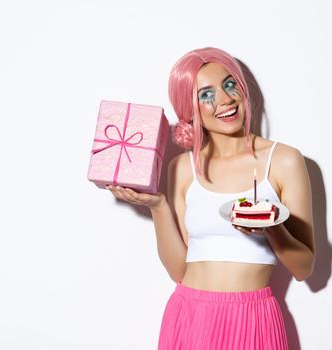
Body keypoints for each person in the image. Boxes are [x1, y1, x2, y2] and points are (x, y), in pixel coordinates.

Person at [107, 47, 315, 349]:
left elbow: (304, 268)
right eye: (206, 94)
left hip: (253, 318)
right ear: (189, 109)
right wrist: (158, 207)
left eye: (230, 85)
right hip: (190, 315)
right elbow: (179, 270)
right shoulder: (183, 167)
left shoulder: (284, 160)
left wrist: (271, 227)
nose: (225, 100)